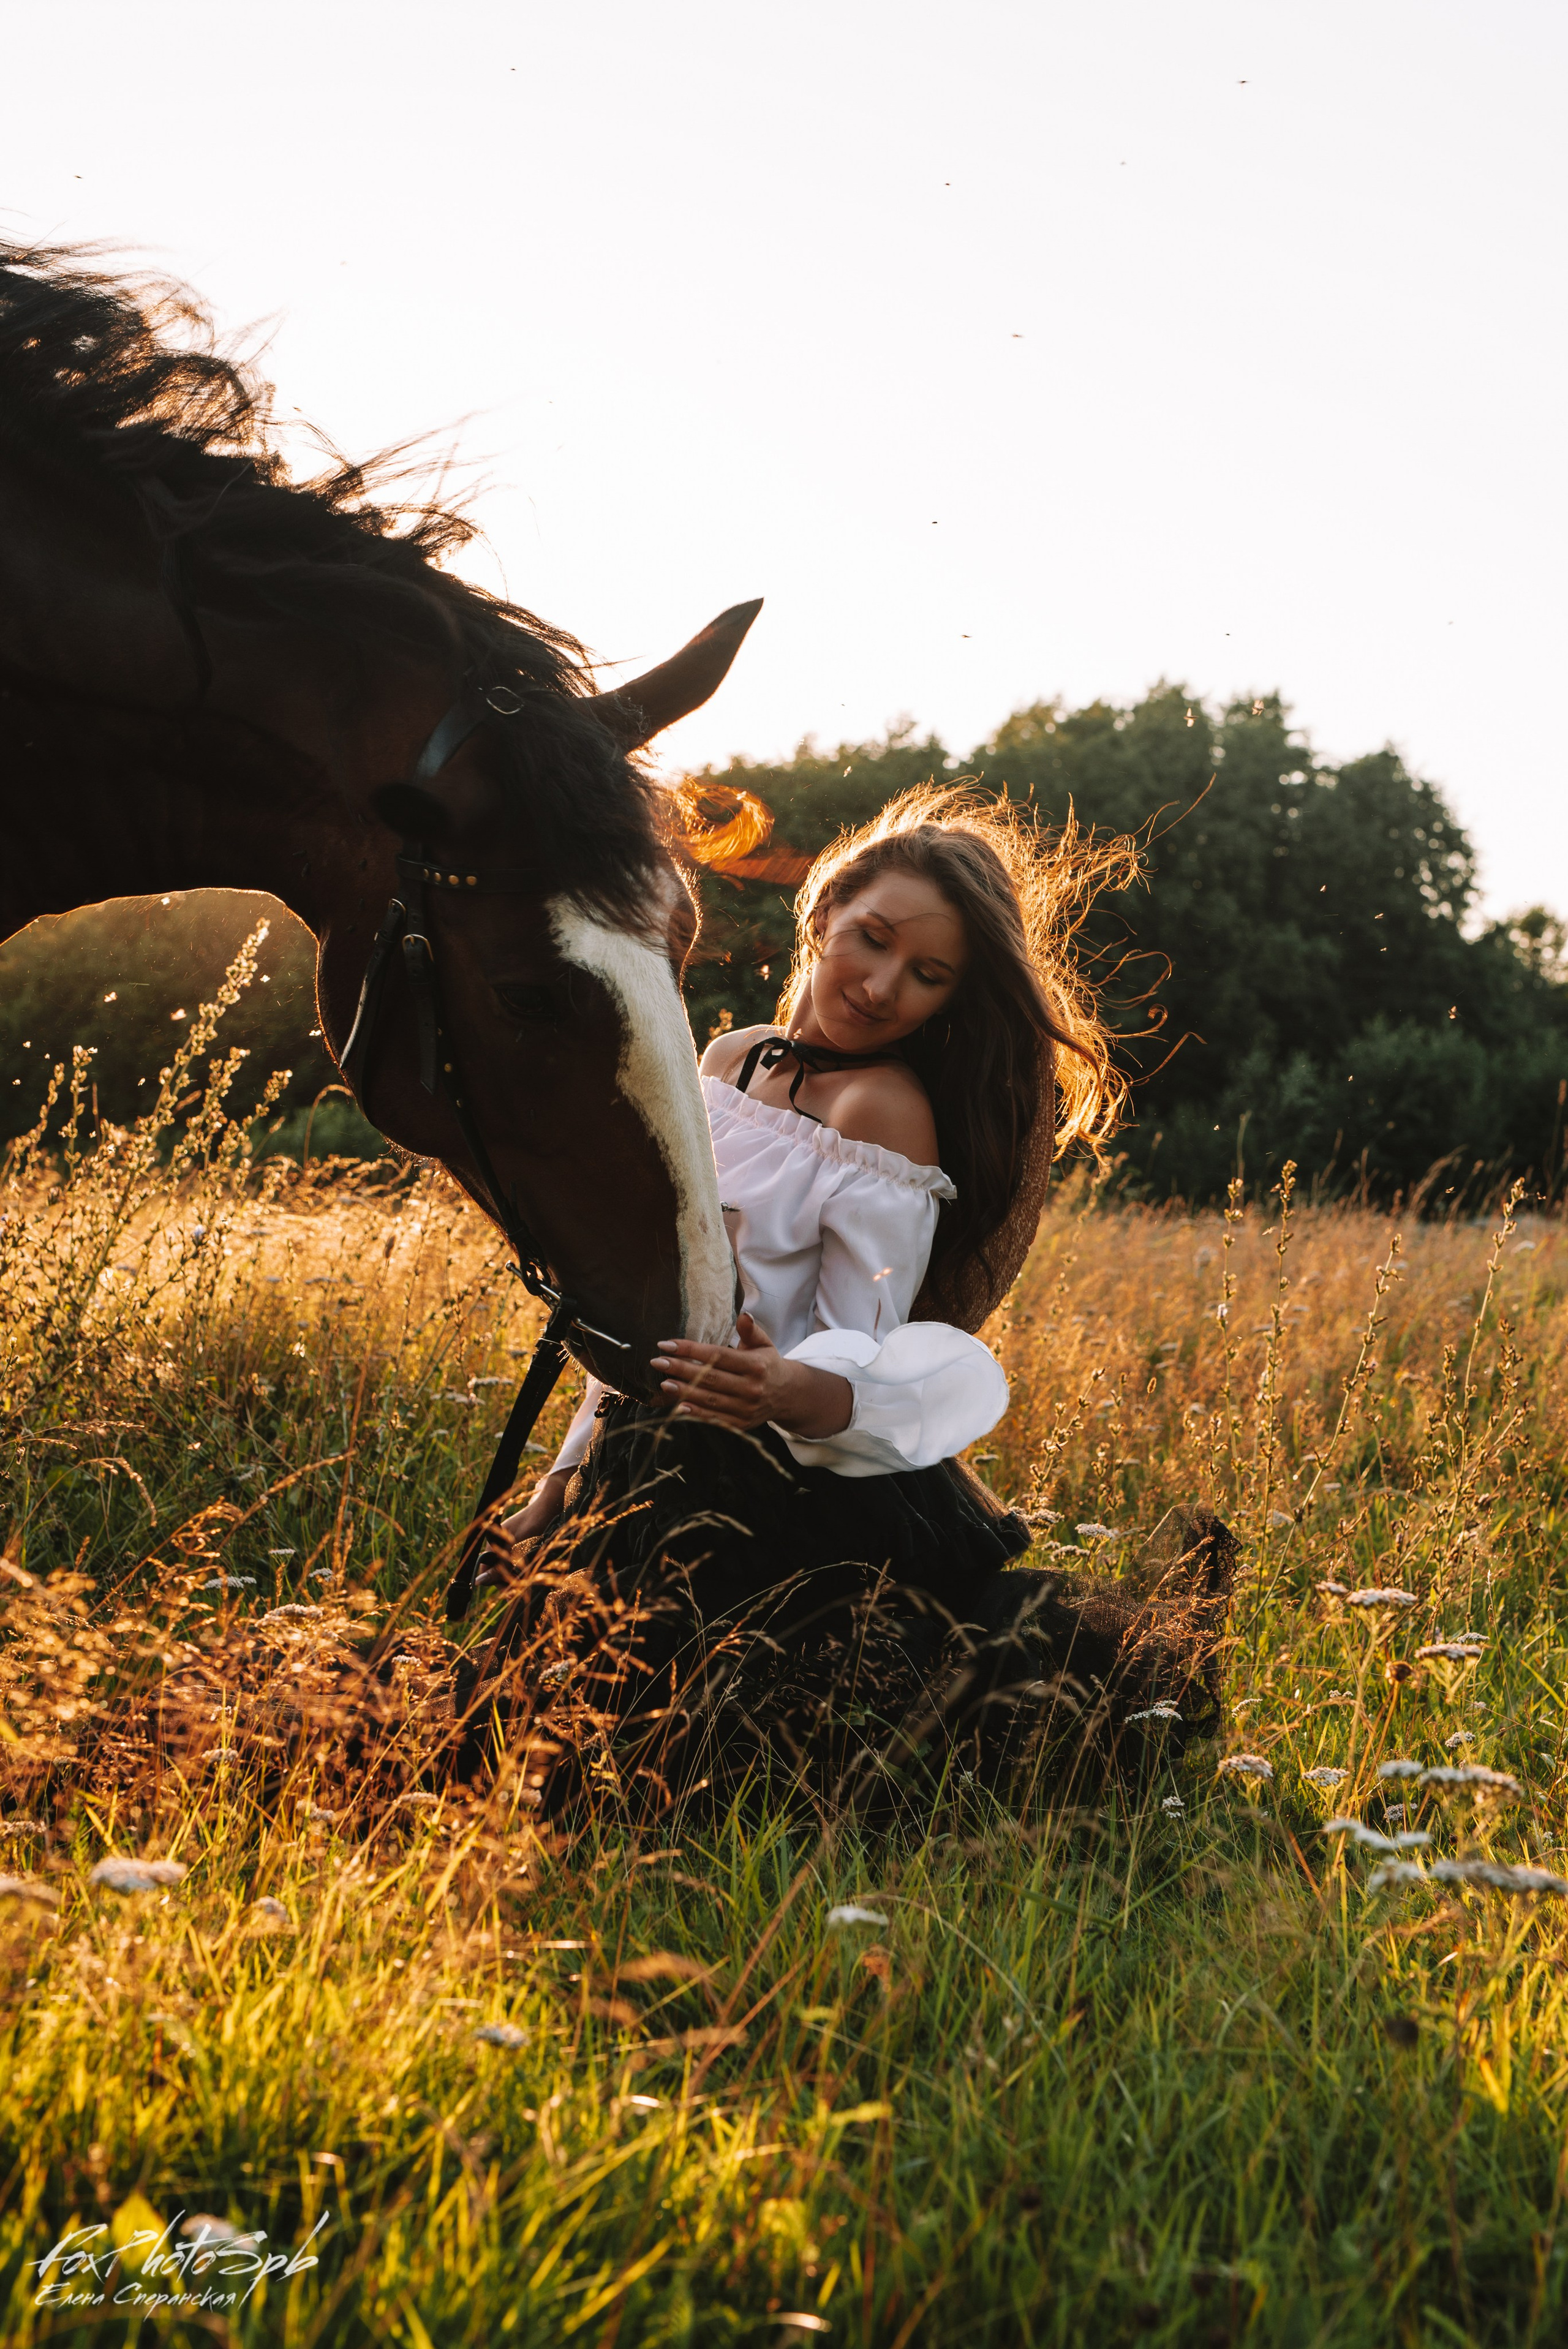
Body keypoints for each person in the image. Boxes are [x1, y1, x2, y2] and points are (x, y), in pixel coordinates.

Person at [461, 786, 1232, 1808]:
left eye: (927, 977)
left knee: (714, 1759)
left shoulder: (885, 1111)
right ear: (821, 911)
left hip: (796, 1477)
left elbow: (860, 1344)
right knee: (526, 1711)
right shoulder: (728, 1059)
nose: (880, 987)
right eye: (870, 940)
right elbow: (656, 1320)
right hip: (660, 1445)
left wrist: (779, 1386)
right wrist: (562, 1482)